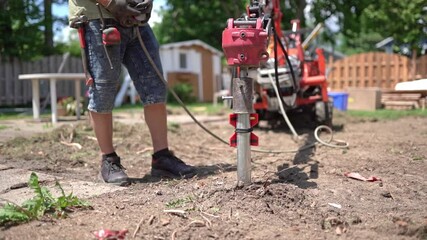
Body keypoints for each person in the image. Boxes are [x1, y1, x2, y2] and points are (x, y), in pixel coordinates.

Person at [68, 0, 196, 186]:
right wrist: (111, 3)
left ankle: (161, 158)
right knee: (102, 91)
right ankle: (108, 160)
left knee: (155, 89)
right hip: (99, 18)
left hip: (136, 21)